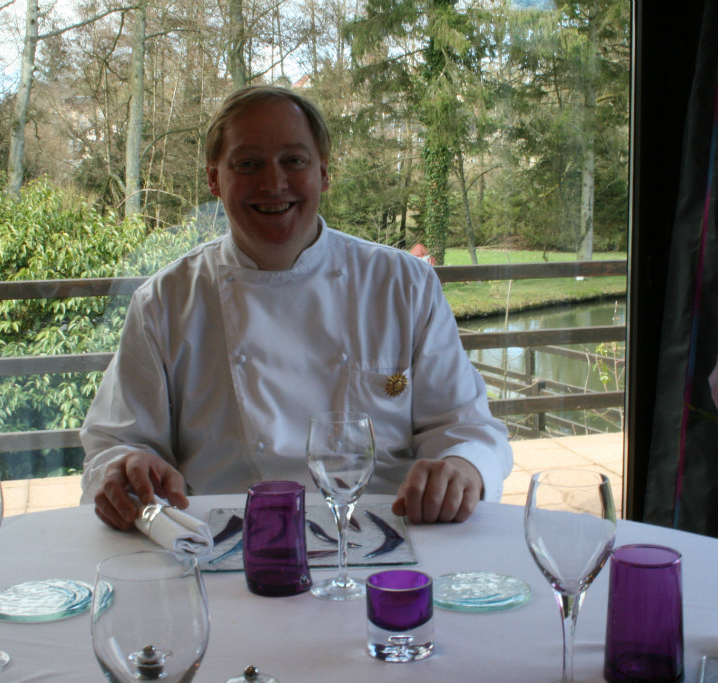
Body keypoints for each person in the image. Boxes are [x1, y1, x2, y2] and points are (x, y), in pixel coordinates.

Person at [80, 85, 513, 530]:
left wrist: (463, 467)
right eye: (248, 164)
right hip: (230, 547)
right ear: (214, 180)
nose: (273, 183)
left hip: (390, 544)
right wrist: (125, 468)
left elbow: (468, 428)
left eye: (294, 161)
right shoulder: (164, 303)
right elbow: (118, 442)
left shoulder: (404, 285)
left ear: (323, 173)